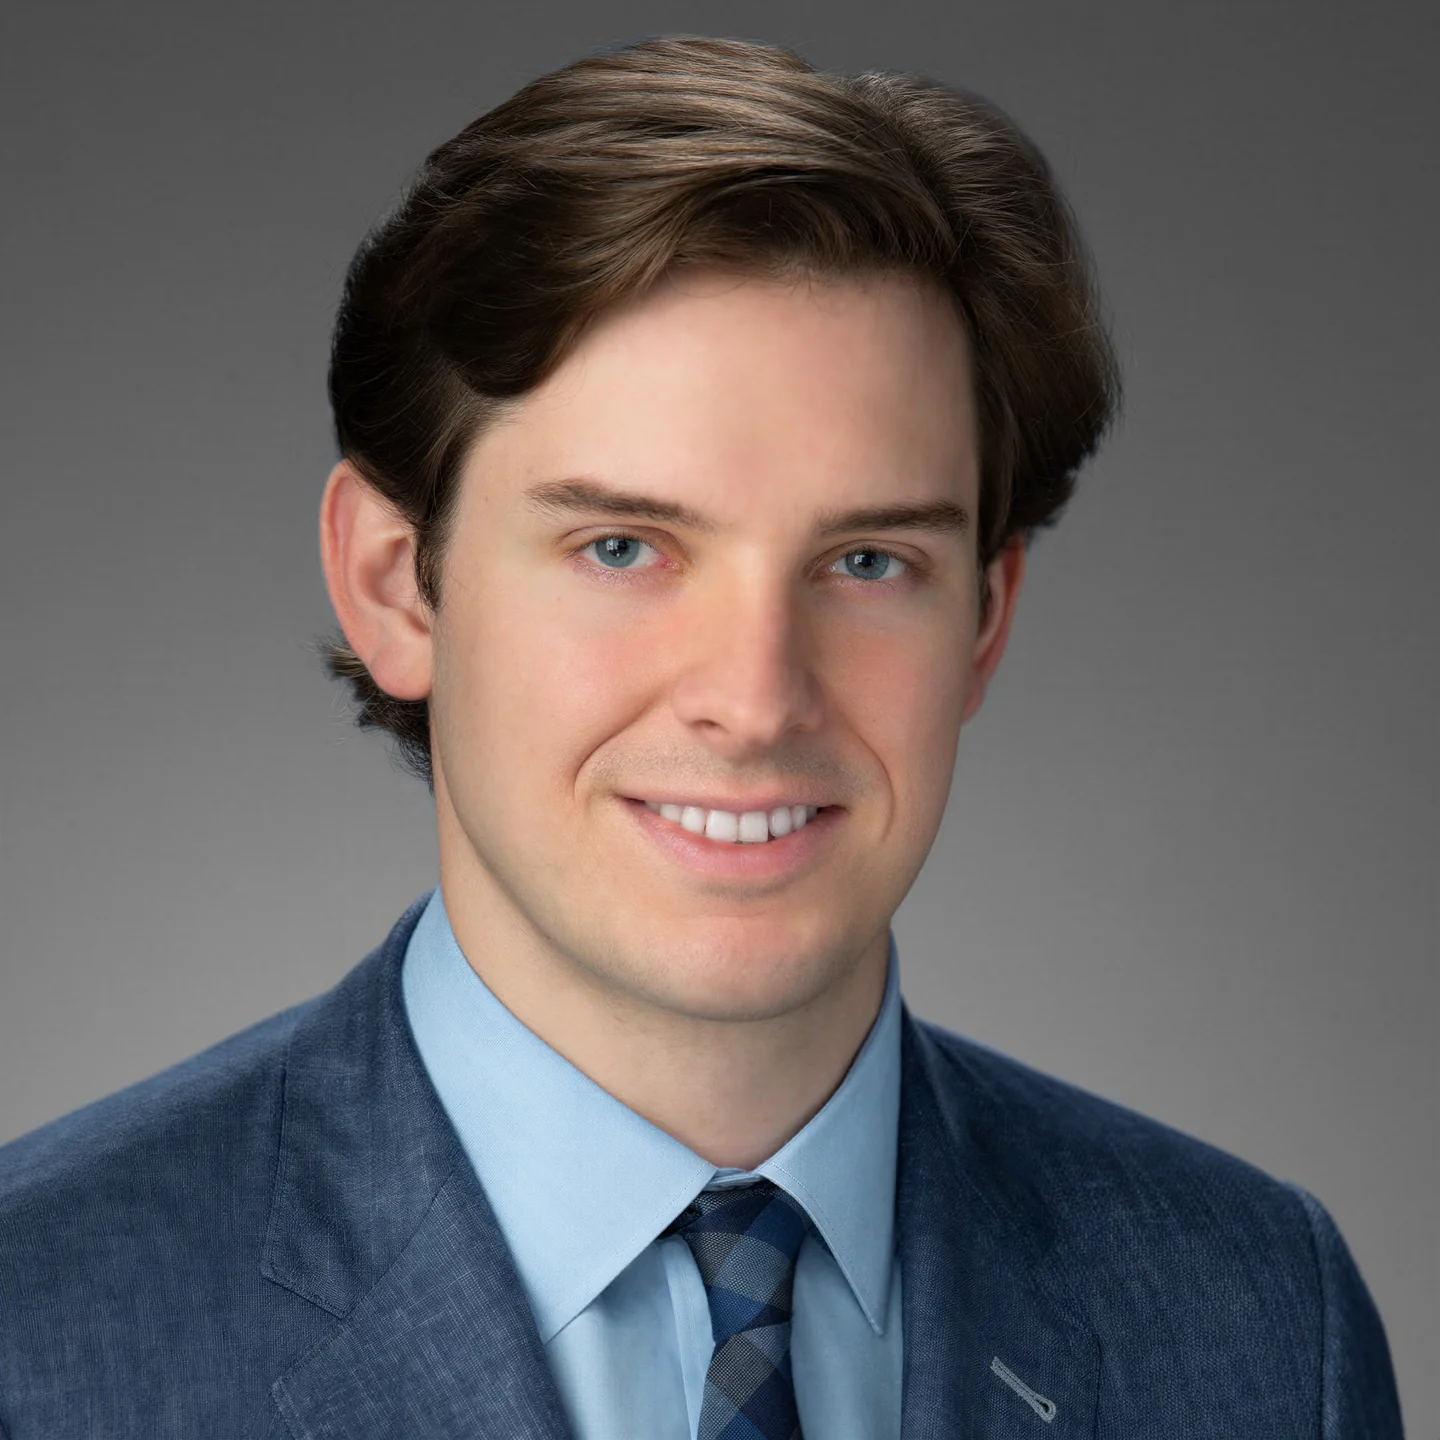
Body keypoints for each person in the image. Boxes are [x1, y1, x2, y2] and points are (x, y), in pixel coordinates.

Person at [0, 34, 1402, 1440]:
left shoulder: (1268, 1321)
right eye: (623, 546)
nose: (756, 697)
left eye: (866, 563)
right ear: (392, 585)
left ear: (985, 616)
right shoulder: (37, 1323)